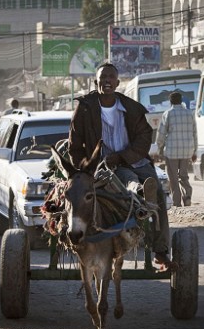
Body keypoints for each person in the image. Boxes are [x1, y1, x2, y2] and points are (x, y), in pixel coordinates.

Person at [68, 62, 172, 266]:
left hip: (132, 160)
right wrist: (84, 169)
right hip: (100, 167)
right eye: (102, 77)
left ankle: (160, 250)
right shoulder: (85, 107)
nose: (106, 81)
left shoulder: (131, 108)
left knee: (156, 190)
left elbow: (144, 139)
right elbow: (74, 143)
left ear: (117, 82)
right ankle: (138, 192)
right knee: (127, 181)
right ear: (96, 82)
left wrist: (123, 156)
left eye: (110, 77)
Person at [155, 92, 197, 207]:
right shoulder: (189, 113)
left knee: (173, 178)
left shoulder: (167, 114)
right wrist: (194, 151)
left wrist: (159, 148)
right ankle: (187, 195)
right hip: (187, 151)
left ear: (170, 101)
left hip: (171, 152)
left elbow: (162, 133)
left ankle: (177, 202)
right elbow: (194, 133)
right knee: (184, 175)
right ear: (181, 100)